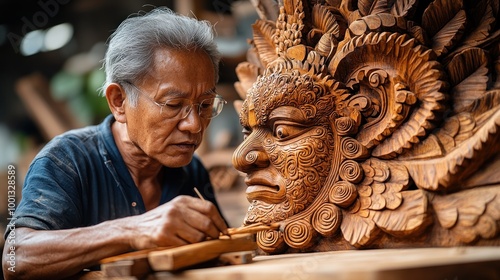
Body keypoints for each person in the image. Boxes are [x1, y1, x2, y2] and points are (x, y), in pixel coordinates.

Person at [2, 7, 228, 279]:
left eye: (205, 105)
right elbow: (15, 258)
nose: (194, 125)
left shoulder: (191, 172)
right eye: (173, 104)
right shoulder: (66, 160)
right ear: (119, 101)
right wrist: (135, 229)